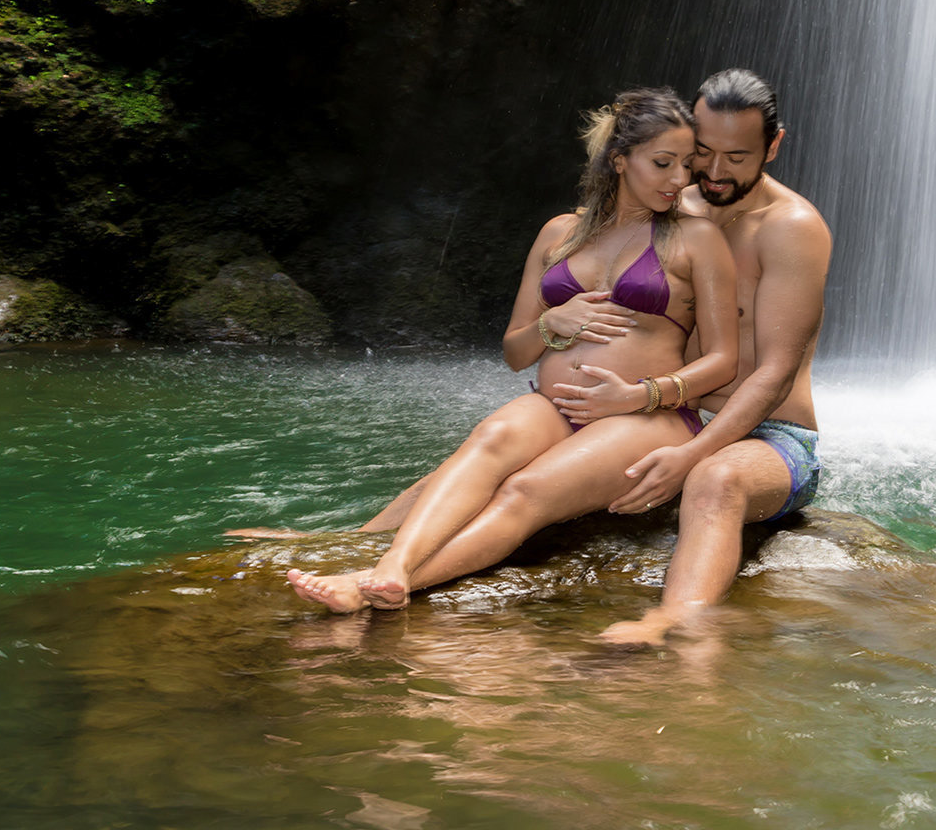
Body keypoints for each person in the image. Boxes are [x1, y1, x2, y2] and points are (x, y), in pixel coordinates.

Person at [325, 68, 832, 645]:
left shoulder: (789, 228)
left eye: (736, 158)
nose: (711, 172)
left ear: (774, 145)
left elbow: (772, 373)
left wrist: (683, 445)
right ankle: (354, 548)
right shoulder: (669, 202)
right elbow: (570, 291)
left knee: (713, 479)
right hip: (646, 408)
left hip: (761, 430)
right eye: (701, 154)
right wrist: (559, 330)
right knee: (490, 446)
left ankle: (674, 623)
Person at [285, 87, 738, 612]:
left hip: (647, 416)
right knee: (491, 437)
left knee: (526, 488)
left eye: (686, 164)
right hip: (557, 407)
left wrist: (640, 396)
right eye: (663, 163)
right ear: (619, 160)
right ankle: (393, 565)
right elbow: (515, 353)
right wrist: (551, 323)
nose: (680, 179)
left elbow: (724, 360)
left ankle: (373, 588)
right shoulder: (559, 233)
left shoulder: (696, 239)